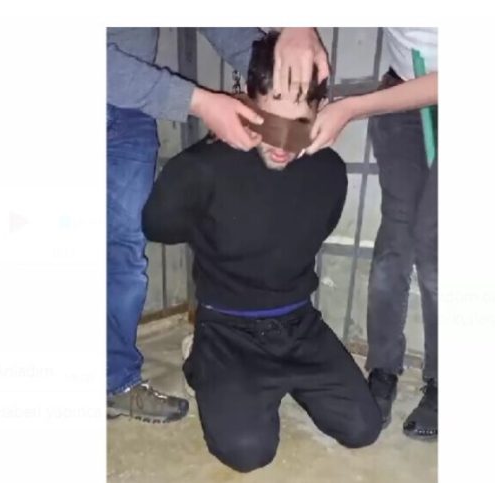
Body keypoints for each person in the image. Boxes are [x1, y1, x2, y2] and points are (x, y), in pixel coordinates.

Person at [141, 31, 382, 472]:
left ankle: (282, 382)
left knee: (363, 428)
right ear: (246, 102)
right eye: (270, 122)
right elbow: (157, 226)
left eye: (298, 124)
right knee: (248, 452)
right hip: (227, 328)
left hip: (299, 325)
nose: (282, 144)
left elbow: (318, 227)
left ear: (319, 113)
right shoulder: (203, 168)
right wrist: (200, 167)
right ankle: (201, 362)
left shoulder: (329, 171)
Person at [106, 27, 329, 423]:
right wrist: (200, 102)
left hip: (131, 110)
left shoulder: (326, 173)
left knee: (125, 255)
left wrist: (281, 79)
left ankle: (115, 382)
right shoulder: (201, 167)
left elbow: (223, 25)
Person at [303, 27, 438, 441]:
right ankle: (382, 368)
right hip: (400, 95)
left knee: (435, 242)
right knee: (395, 239)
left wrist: (350, 108)